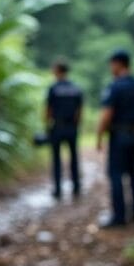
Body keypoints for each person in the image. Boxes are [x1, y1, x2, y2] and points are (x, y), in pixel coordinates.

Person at [95, 50, 134, 228]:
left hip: (119, 135)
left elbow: (107, 115)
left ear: (117, 64)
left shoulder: (115, 87)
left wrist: (100, 136)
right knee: (133, 173)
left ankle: (119, 217)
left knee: (115, 174)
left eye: (111, 64)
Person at [45, 59, 83, 198]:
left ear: (58, 70)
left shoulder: (53, 88)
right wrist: (76, 125)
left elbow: (48, 109)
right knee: (74, 157)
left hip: (58, 126)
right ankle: (76, 187)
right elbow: (79, 110)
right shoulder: (76, 88)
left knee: (56, 159)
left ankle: (58, 189)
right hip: (72, 127)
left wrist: (47, 125)